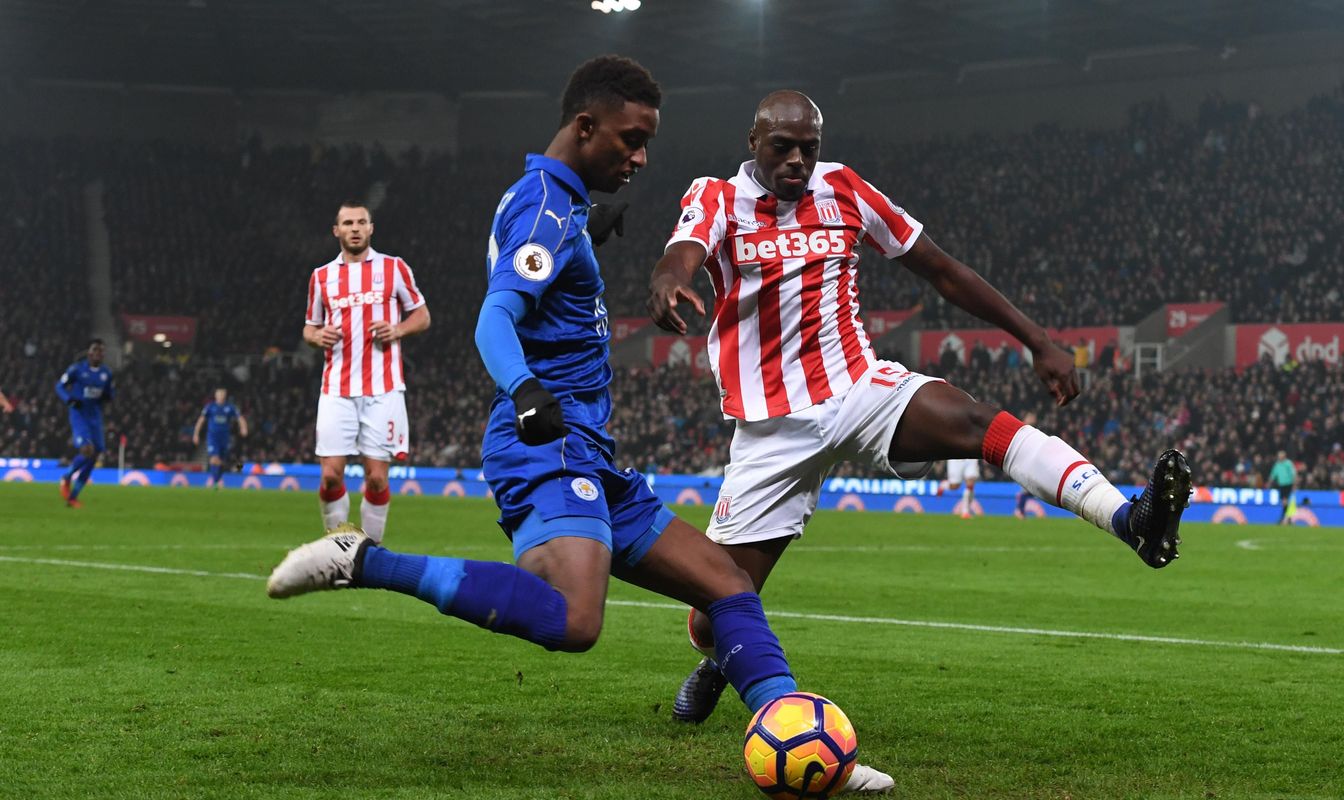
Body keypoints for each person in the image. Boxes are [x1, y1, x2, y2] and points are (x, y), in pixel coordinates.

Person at [267, 57, 892, 795]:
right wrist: (526, 386)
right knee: (573, 620)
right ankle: (364, 561)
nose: (640, 158)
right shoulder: (543, 207)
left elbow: (547, 256)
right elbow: (495, 316)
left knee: (726, 585)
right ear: (584, 126)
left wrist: (589, 232)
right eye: (629, 140)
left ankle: (790, 729)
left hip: (590, 450)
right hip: (545, 441)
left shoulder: (558, 205)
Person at [648, 91, 1192, 735]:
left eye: (808, 148)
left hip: (858, 389)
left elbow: (942, 270)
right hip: (772, 428)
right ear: (753, 143)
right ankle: (716, 664)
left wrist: (1037, 339)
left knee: (983, 425)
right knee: (711, 616)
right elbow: (684, 250)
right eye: (782, 148)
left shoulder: (846, 189)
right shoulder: (715, 198)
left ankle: (1133, 521)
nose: (797, 160)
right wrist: (669, 277)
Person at [303, 201, 431, 542]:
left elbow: (422, 316)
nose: (355, 228)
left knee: (376, 478)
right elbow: (309, 328)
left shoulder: (394, 268)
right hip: (336, 389)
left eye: (362, 222)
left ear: (371, 228)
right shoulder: (321, 277)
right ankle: (337, 551)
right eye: (348, 222)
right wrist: (317, 336)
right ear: (337, 230)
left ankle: (370, 555)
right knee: (330, 476)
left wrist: (398, 330)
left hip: (384, 389)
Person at [55, 339, 114, 508]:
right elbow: (59, 386)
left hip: (95, 416)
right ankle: (66, 477)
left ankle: (73, 497)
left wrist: (109, 397)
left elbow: (109, 393)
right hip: (79, 415)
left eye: (101, 351)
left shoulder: (106, 373)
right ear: (89, 353)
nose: (98, 353)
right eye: (95, 350)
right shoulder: (77, 369)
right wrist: (69, 400)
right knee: (87, 450)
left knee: (96, 454)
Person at [192, 388, 248, 488]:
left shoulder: (230, 407)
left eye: (223, 395)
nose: (221, 396)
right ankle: (216, 482)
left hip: (225, 438)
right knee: (214, 459)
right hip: (213, 437)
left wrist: (243, 428)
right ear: (216, 396)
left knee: (222, 460)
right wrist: (196, 434)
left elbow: (240, 417)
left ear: (225, 396)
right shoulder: (210, 407)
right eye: (219, 394)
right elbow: (201, 420)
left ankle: (219, 478)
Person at [1267, 450, 1297, 525]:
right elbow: (1273, 474)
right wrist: (1269, 483)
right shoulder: (1277, 465)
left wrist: (1294, 485)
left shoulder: (1288, 463)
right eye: (1279, 456)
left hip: (1288, 484)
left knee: (1285, 502)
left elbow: (1293, 474)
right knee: (1284, 503)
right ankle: (1288, 519)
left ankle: (1282, 518)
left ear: (1284, 456)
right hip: (1281, 485)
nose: (1280, 458)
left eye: (1281, 456)